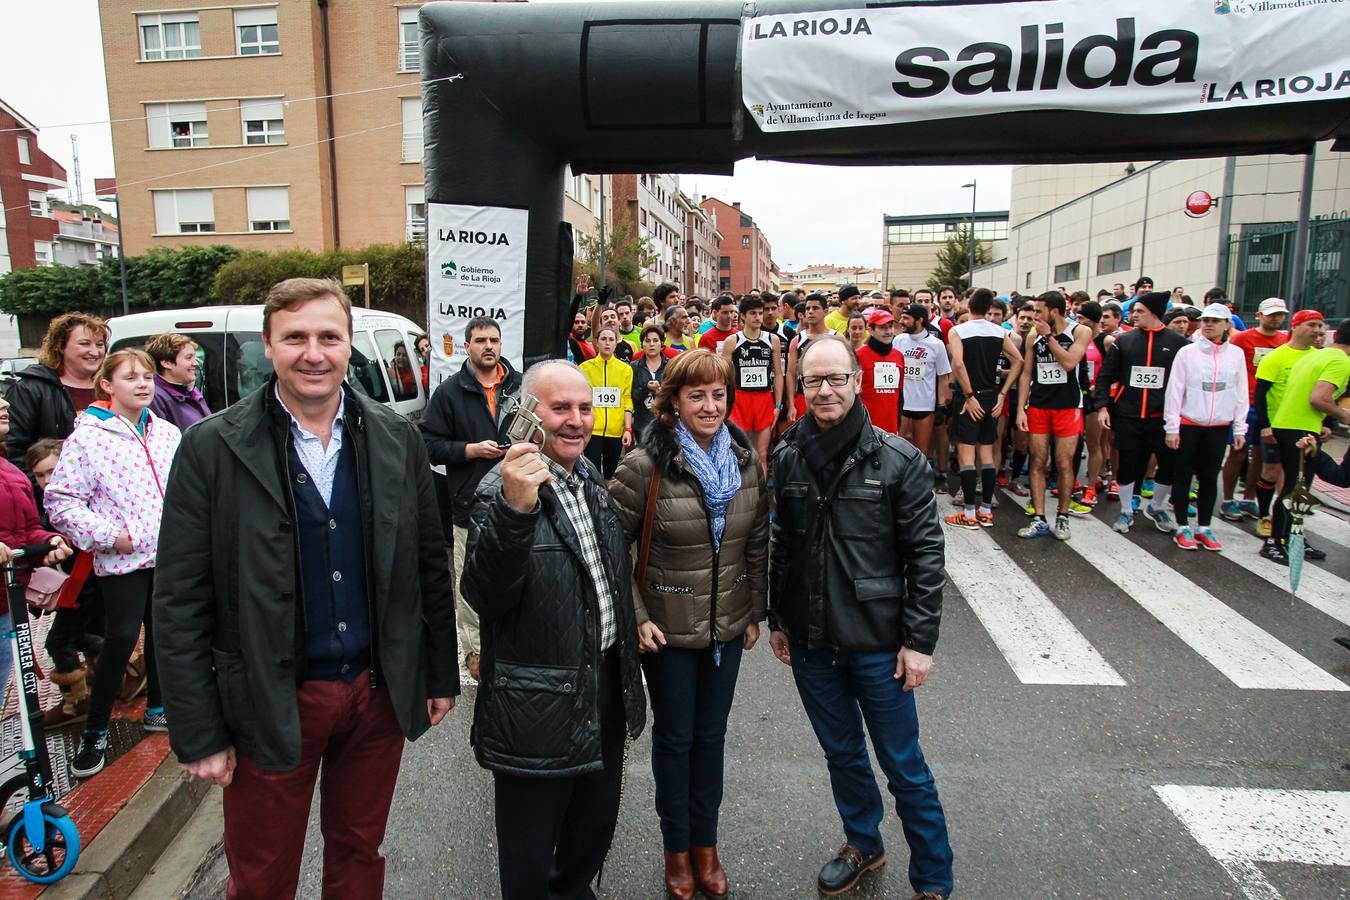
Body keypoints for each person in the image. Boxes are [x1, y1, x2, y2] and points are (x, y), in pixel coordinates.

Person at [152, 278, 458, 898]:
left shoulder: (397, 439)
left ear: (350, 348)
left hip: (375, 696)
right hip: (267, 698)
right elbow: (179, 599)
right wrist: (199, 731)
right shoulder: (212, 448)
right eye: (295, 337)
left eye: (328, 337)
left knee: (358, 852)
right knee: (262, 873)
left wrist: (438, 674)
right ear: (268, 346)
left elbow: (430, 564)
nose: (313, 353)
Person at [767, 335, 953, 900]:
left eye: (835, 379)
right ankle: (863, 843)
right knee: (842, 752)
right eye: (814, 381)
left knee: (905, 766)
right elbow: (782, 544)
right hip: (811, 640)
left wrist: (919, 642)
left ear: (856, 382)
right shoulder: (787, 454)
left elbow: (926, 555)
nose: (825, 391)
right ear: (801, 388)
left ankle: (933, 879)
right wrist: (778, 618)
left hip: (878, 642)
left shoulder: (899, 460)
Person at [461, 360, 647, 900]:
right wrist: (515, 512)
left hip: (603, 687)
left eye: (584, 408)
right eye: (559, 407)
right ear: (527, 413)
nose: (575, 420)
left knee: (592, 831)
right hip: (536, 703)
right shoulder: (502, 488)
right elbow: (486, 595)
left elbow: (609, 577)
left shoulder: (588, 475)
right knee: (529, 852)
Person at [609, 349, 768, 900]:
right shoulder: (645, 464)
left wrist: (754, 610)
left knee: (712, 738)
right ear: (673, 401)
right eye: (696, 395)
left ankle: (708, 844)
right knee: (676, 741)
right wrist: (638, 616)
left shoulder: (746, 457)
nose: (710, 405)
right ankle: (677, 850)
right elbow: (615, 546)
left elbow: (757, 541)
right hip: (667, 632)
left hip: (726, 629)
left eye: (719, 394)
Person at [45, 349, 182, 777]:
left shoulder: (167, 433)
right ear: (107, 385)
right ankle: (96, 732)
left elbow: (186, 489)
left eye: (147, 377)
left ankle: (158, 708)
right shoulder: (87, 437)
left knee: (164, 635)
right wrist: (110, 536)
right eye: (130, 378)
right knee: (121, 638)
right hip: (121, 560)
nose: (143, 384)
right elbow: (61, 501)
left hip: (169, 555)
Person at [422, 316, 523, 682]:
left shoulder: (520, 388)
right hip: (468, 507)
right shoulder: (449, 392)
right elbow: (428, 444)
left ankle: (515, 645)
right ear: (467, 346)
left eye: (494, 339)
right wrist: (469, 450)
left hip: (518, 503)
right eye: (480, 340)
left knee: (520, 577)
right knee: (469, 584)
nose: (488, 346)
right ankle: (476, 652)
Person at [1093, 291, 1188, 534]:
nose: (1134, 315)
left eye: (1140, 311)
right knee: (1127, 463)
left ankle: (1156, 506)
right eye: (1133, 311)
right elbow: (1106, 376)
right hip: (1128, 414)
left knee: (1167, 464)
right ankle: (1125, 511)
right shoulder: (1124, 341)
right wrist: (1103, 406)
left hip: (1162, 417)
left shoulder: (1178, 343)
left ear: (1155, 313)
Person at [0, 403, 74, 705]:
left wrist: (50, 542)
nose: (6, 403)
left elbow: (28, 527)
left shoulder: (11, 471)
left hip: (5, 600)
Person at [29, 438, 103, 729]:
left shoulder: (76, 498)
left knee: (59, 640)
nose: (47, 480)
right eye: (39, 475)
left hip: (86, 582)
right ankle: (120, 668)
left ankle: (78, 702)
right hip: (78, 583)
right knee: (80, 635)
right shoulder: (48, 501)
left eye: (52, 471)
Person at [1163, 304, 1249, 551]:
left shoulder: (1236, 355)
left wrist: (1240, 428)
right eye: (1205, 320)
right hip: (1188, 424)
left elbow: (1241, 393)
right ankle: (1182, 526)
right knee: (1183, 476)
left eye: (1215, 320)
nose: (1208, 324)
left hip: (1219, 426)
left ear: (1226, 325)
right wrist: (1172, 427)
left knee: (1210, 478)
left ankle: (1204, 526)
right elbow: (1174, 391)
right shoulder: (1187, 353)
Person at [1264, 318, 1350, 563]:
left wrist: (1322, 422)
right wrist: (1344, 415)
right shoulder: (1340, 361)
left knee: (1298, 487)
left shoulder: (1317, 355)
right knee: (1293, 488)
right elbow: (1318, 398)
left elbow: (1304, 394)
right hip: (1297, 428)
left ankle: (1294, 538)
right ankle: (1274, 542)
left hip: (1297, 425)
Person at [1015, 292, 1093, 541]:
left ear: (1055, 311)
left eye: (1039, 311)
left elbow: (1070, 363)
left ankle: (1062, 516)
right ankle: (1039, 518)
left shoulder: (1080, 332)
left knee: (1063, 462)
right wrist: (1021, 410)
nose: (1034, 316)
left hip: (1068, 406)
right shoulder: (1031, 336)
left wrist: (1049, 336)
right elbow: (1026, 374)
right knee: (1037, 460)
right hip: (1039, 405)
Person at [945, 289, 1024, 529]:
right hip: (992, 396)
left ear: (969, 306)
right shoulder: (999, 331)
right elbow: (1019, 361)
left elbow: (958, 363)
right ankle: (986, 510)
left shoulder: (958, 330)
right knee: (987, 454)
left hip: (970, 398)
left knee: (967, 455)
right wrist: (1002, 393)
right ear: (989, 307)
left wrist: (969, 395)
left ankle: (969, 513)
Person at [1251, 309, 1324, 548]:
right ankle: (1265, 517)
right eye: (1312, 325)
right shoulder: (1275, 357)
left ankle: (1293, 533)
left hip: (1307, 429)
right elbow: (1260, 396)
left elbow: (1327, 392)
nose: (1318, 330)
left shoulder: (1320, 357)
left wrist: (1327, 423)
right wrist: (1265, 426)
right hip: (1277, 427)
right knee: (1272, 474)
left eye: (1320, 326)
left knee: (1298, 484)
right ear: (1296, 326)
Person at [6, 312, 109, 471]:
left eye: (100, 344)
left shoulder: (111, 388)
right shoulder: (30, 389)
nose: (95, 352)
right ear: (61, 346)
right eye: (84, 344)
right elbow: (14, 450)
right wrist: (46, 488)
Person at [1220, 297, 1288, 521]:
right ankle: (1228, 500)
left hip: (1272, 407)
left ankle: (1249, 499)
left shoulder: (1285, 340)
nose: (1276, 318)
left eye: (1279, 314)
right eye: (1271, 314)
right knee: (1238, 452)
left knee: (1261, 454)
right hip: (1245, 403)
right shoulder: (1242, 338)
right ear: (1259, 315)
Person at [721, 295, 782, 476]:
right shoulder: (732, 341)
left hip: (764, 400)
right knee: (739, 452)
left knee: (762, 454)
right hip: (740, 400)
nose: (758, 317)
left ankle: (761, 499)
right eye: (753, 313)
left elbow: (778, 373)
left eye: (760, 313)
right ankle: (740, 494)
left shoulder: (772, 340)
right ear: (743, 316)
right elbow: (724, 376)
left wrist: (778, 404)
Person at [895, 304, 952, 476]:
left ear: (919, 320)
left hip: (925, 406)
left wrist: (941, 405)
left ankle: (920, 486)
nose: (901, 321)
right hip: (903, 406)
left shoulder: (936, 344)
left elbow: (943, 377)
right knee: (900, 449)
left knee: (922, 451)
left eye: (906, 318)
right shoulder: (899, 341)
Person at [580, 326, 636, 478]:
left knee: (611, 473)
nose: (607, 343)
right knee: (592, 473)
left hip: (615, 430)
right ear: (596, 343)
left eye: (611, 339)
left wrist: (628, 429)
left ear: (616, 343)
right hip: (592, 430)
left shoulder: (625, 369)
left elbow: (626, 399)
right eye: (603, 339)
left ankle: (607, 501)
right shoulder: (584, 368)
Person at [146, 332, 212, 431]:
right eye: (189, 358)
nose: (196, 363)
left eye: (195, 357)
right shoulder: (155, 397)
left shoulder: (190, 389)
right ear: (166, 363)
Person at [855, 309, 905, 436]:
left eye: (890, 327)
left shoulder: (898, 355)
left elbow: (899, 394)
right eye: (882, 328)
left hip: (891, 428)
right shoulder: (858, 356)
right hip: (865, 427)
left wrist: (898, 424)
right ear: (870, 330)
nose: (888, 331)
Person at [784, 293, 831, 423]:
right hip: (803, 396)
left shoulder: (836, 337)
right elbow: (790, 373)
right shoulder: (797, 340)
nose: (810, 312)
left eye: (815, 308)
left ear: (825, 312)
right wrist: (792, 404)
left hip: (829, 395)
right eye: (808, 308)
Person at [632, 324, 672, 437]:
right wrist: (646, 388)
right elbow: (632, 396)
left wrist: (662, 392)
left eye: (655, 340)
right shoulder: (634, 367)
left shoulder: (671, 365)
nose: (652, 344)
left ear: (662, 344)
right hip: (642, 423)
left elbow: (676, 393)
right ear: (642, 344)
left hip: (666, 421)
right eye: (648, 341)